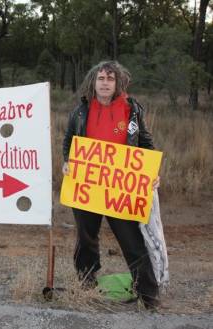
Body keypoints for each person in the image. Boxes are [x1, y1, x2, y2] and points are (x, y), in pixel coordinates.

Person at [62, 60, 160, 309]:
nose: (105, 83)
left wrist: (151, 172)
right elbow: (68, 142)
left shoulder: (132, 110)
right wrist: (66, 162)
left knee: (132, 241)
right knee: (86, 238)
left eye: (110, 79)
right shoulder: (80, 112)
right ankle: (86, 287)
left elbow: (146, 143)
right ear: (93, 82)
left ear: (118, 83)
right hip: (87, 184)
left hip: (121, 187)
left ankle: (149, 298)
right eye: (101, 79)